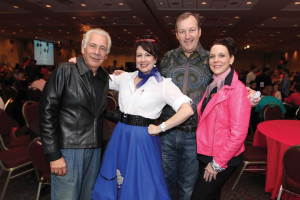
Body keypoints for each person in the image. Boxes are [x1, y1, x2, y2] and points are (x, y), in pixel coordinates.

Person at [159, 12, 258, 200]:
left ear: (199, 31)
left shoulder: (210, 58)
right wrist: (129, 77)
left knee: (191, 189)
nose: (187, 35)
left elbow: (228, 83)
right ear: (177, 34)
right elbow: (153, 83)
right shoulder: (166, 59)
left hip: (194, 137)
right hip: (168, 134)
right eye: (182, 31)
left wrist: (249, 93)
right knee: (165, 182)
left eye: (192, 30)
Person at [91, 36, 194, 200]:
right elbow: (97, 77)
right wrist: (79, 62)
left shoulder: (163, 84)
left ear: (155, 58)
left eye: (147, 55)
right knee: (117, 179)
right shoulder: (126, 77)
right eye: (139, 55)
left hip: (143, 139)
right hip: (121, 134)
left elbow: (187, 110)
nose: (143, 59)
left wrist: (161, 127)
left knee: (142, 184)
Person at [39, 28, 112, 200]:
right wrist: (54, 155)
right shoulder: (65, 70)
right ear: (83, 47)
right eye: (93, 46)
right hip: (68, 150)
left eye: (102, 48)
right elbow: (46, 112)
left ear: (107, 55)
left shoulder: (102, 77)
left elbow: (97, 112)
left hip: (94, 150)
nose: (97, 52)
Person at [191, 37, 251, 200]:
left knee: (198, 197)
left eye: (222, 55)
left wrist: (217, 164)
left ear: (231, 59)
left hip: (223, 157)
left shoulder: (237, 89)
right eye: (212, 56)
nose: (216, 60)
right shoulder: (212, 84)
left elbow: (238, 133)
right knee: (211, 195)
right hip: (206, 152)